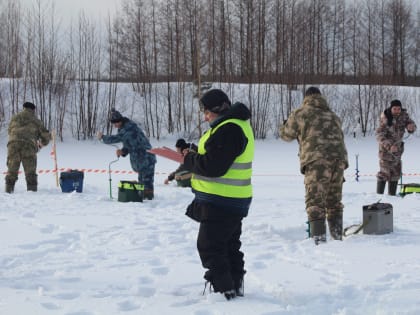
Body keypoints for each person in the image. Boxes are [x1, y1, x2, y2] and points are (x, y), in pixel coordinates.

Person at [182, 89, 254, 300]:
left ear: (216, 110)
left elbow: (214, 166)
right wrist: (193, 153)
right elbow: (217, 155)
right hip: (228, 199)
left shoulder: (229, 129)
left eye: (206, 112)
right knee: (228, 245)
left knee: (210, 247)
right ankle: (233, 288)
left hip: (222, 201)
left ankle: (225, 292)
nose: (205, 117)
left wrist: (189, 160)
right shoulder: (233, 125)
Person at [279, 87, 348, 245]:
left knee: (315, 202)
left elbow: (286, 135)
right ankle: (337, 237)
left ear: (306, 98)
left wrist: (284, 126)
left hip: (317, 160)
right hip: (339, 160)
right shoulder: (333, 115)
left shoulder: (301, 112)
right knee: (334, 201)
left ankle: (318, 242)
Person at [97, 109, 157, 200]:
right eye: (114, 123)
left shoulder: (129, 128)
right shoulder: (124, 128)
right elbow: (129, 145)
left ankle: (150, 202)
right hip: (141, 159)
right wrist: (122, 151)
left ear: (121, 120)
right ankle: (144, 199)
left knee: (147, 183)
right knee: (142, 183)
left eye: (116, 122)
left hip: (146, 158)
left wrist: (103, 137)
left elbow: (116, 138)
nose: (115, 125)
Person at [5, 102, 51, 193]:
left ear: (24, 108)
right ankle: (32, 194)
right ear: (33, 110)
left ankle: (8, 192)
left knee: (12, 171)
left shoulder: (14, 118)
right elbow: (46, 136)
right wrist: (41, 145)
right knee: (30, 173)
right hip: (28, 146)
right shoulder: (36, 120)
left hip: (13, 145)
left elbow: (10, 131)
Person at [376, 99, 416, 195]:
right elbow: (379, 135)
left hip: (398, 151)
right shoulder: (385, 118)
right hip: (386, 152)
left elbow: (411, 124)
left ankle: (392, 197)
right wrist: (389, 146)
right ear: (391, 108)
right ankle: (379, 198)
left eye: (399, 109)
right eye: (395, 109)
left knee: (395, 174)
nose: (397, 111)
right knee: (384, 174)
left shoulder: (404, 116)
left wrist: (411, 127)